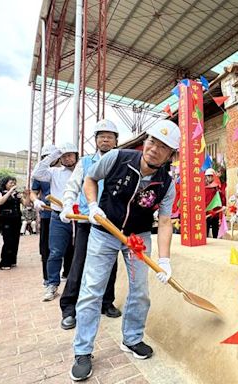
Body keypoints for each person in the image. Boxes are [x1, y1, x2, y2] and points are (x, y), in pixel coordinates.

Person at [69, 119, 179, 381]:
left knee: (140, 291)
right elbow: (90, 178)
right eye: (152, 141)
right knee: (92, 290)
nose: (154, 149)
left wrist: (165, 260)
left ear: (170, 156)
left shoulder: (167, 183)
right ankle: (82, 351)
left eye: (163, 147)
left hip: (137, 238)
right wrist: (93, 206)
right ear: (145, 141)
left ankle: (131, 339)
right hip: (104, 231)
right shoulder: (118, 158)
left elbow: (164, 221)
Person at [58, 120, 121, 330]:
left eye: (109, 136)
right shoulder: (84, 162)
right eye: (101, 136)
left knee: (110, 264)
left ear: (115, 141)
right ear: (95, 140)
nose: (105, 139)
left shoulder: (121, 162)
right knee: (79, 264)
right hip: (87, 221)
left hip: (111, 223)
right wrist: (67, 205)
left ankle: (106, 302)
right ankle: (69, 309)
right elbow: (72, 186)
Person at [32, 143, 79, 301]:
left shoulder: (83, 170)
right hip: (58, 216)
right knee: (55, 252)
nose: (67, 158)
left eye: (70, 155)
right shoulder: (54, 172)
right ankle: (52, 284)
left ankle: (78, 285)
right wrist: (52, 155)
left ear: (76, 155)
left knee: (80, 253)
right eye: (63, 156)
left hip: (80, 218)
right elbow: (37, 173)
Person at [30, 144, 57, 286]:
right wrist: (35, 200)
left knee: (69, 246)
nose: (48, 159)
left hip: (65, 212)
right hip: (47, 213)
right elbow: (33, 191)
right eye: (45, 157)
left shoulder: (63, 170)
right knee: (46, 247)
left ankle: (67, 273)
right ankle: (47, 277)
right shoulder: (40, 174)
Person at [0, 177, 28, 270]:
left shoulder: (17, 194)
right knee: (8, 240)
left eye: (14, 183)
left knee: (15, 240)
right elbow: (0, 202)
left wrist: (26, 195)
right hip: (6, 218)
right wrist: (9, 192)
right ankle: (4, 262)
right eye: (10, 183)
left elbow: (26, 204)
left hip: (16, 218)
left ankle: (12, 260)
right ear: (5, 184)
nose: (13, 184)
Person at [204, 168, 226, 238]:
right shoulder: (203, 188)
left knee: (215, 232)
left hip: (215, 213)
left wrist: (220, 216)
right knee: (205, 233)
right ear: (206, 177)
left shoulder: (218, 188)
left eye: (211, 176)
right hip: (206, 214)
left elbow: (222, 201)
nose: (210, 178)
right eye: (208, 176)